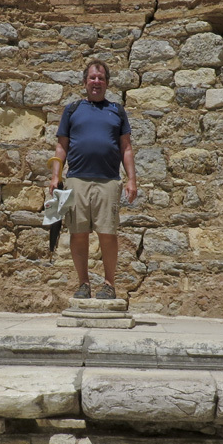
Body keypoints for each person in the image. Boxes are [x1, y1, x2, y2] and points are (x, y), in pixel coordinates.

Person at [48, 60, 138, 299]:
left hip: (108, 181)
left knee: (108, 233)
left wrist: (131, 180)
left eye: (100, 78)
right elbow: (61, 145)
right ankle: (83, 284)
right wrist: (56, 176)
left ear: (107, 83)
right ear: (85, 82)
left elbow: (126, 147)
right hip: (76, 179)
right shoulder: (72, 109)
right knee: (78, 233)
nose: (96, 82)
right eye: (92, 78)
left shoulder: (117, 111)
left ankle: (109, 285)